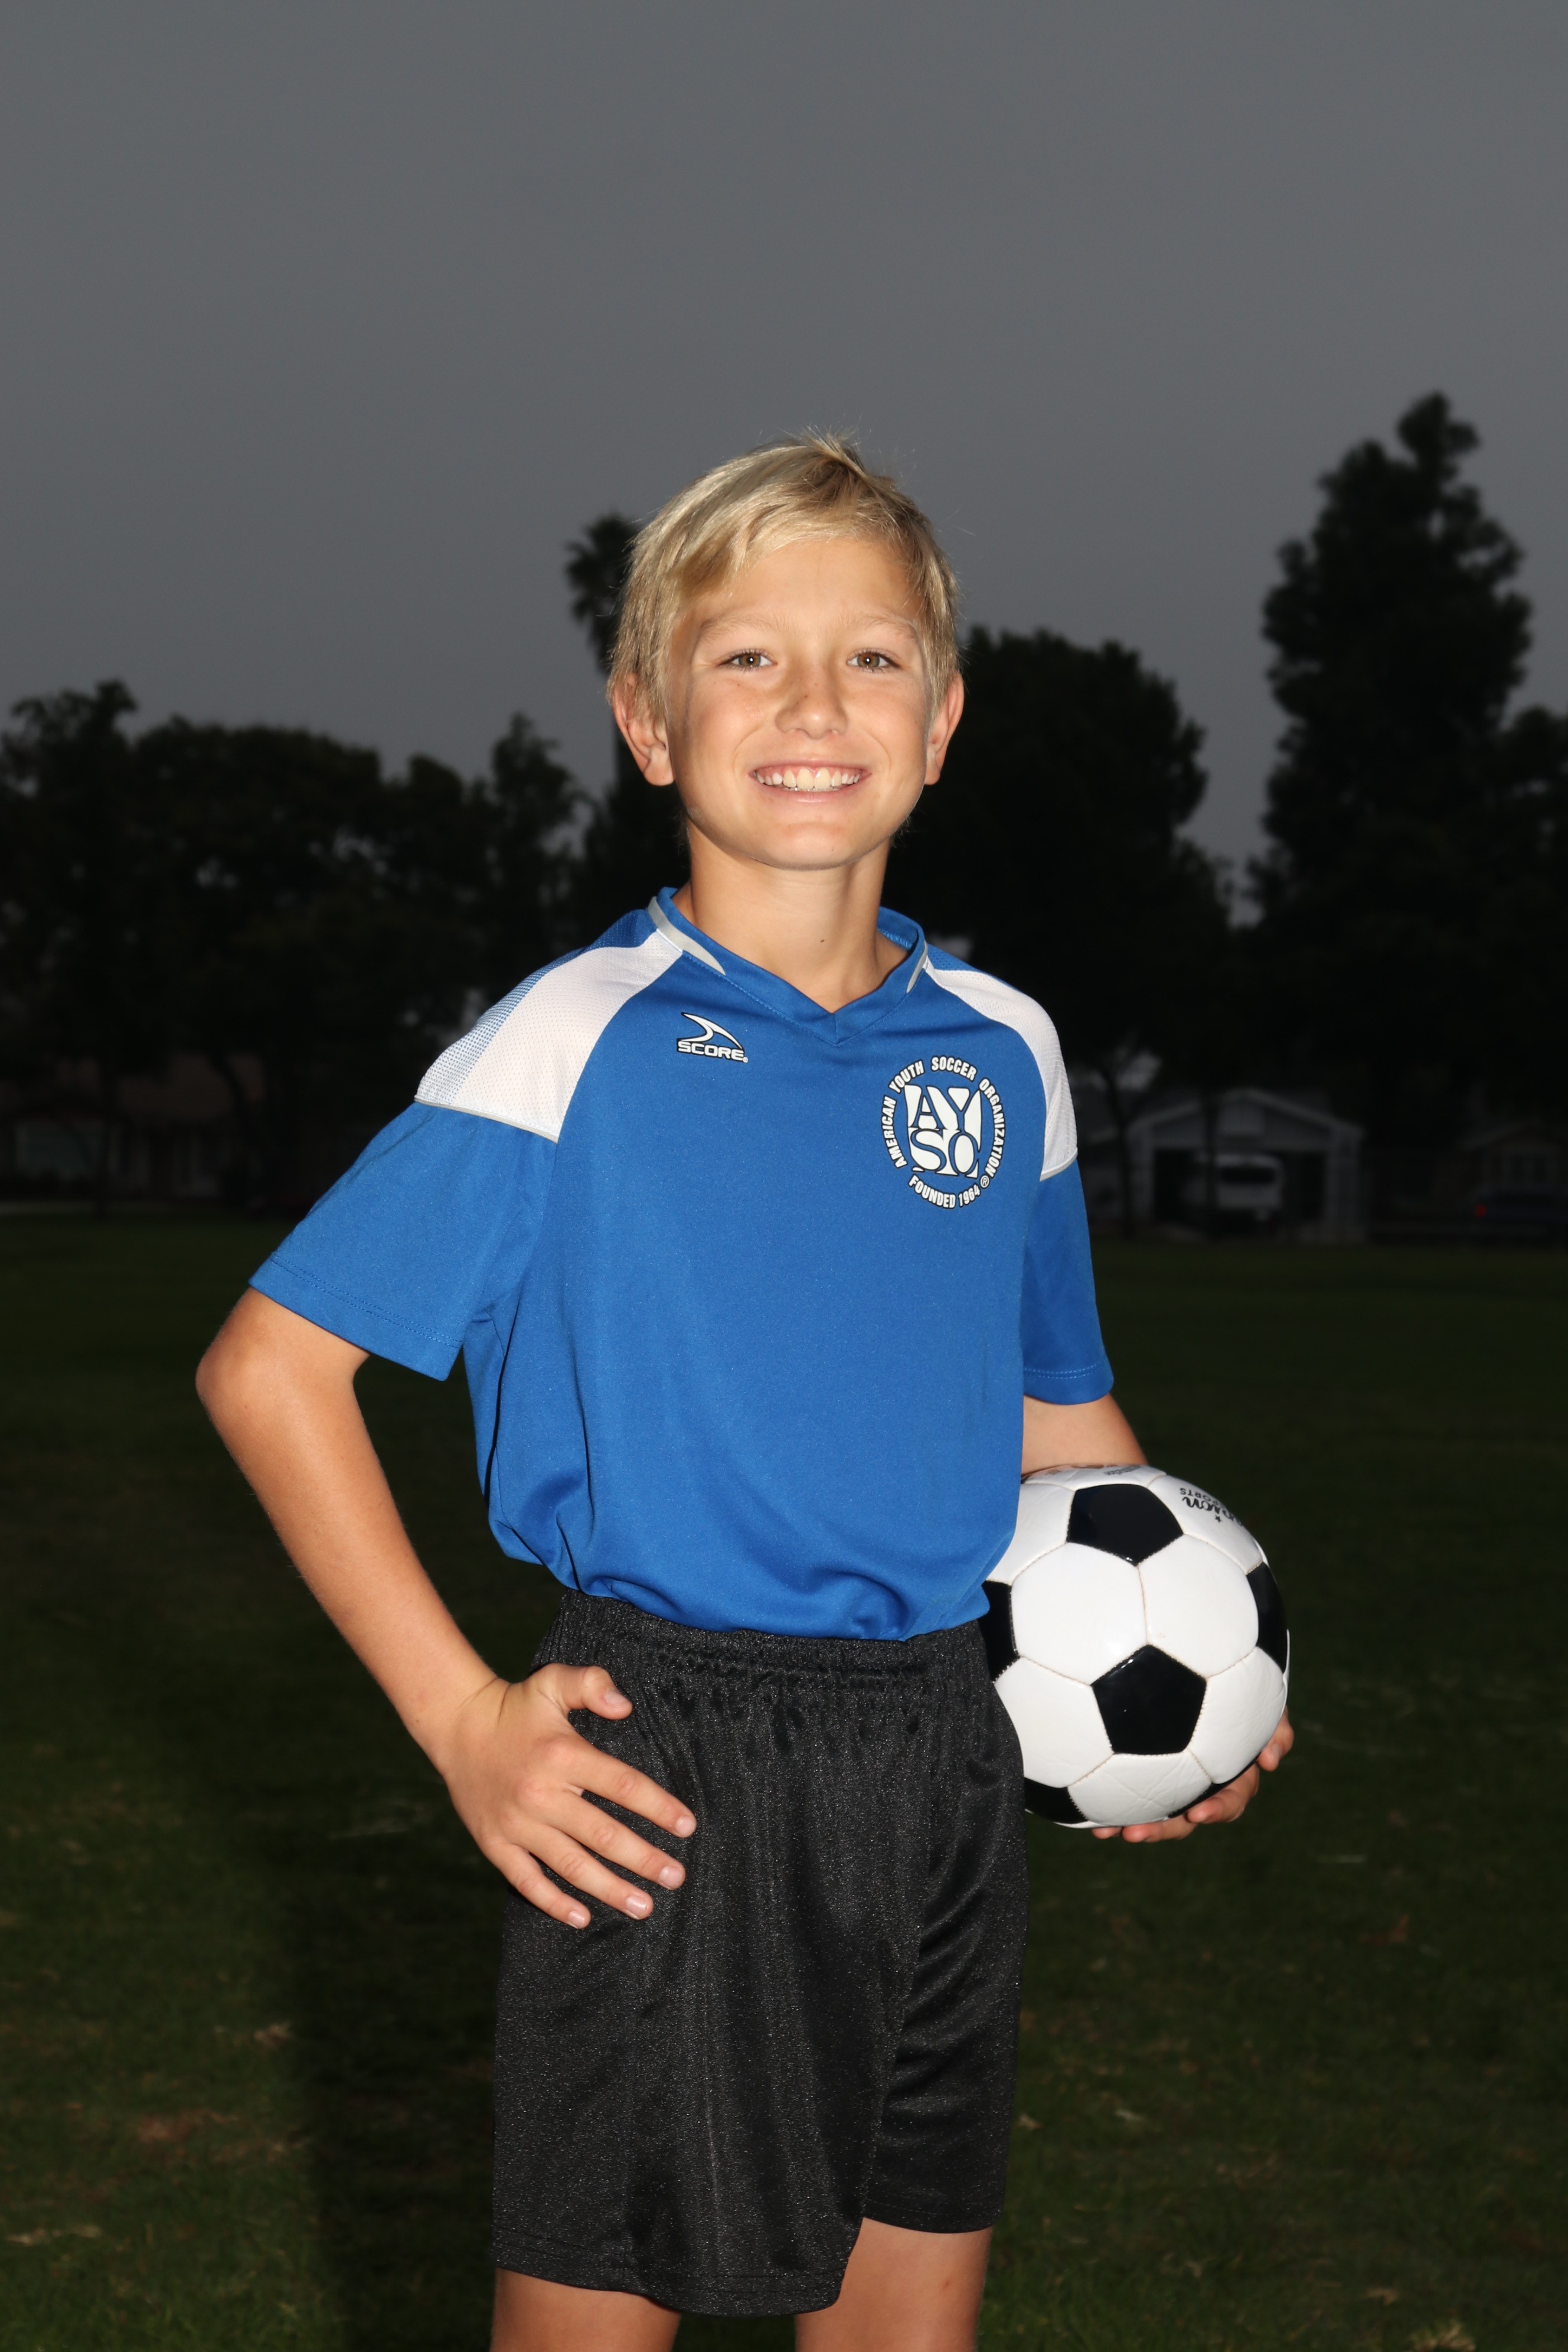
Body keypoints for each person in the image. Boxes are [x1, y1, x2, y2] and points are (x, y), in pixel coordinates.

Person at [197, 437, 1291, 2351]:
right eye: (747, 658)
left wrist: (1203, 1681)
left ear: (941, 721)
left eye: (870, 659)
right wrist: (462, 1717)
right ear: (647, 719)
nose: (812, 705)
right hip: (670, 1758)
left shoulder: (1007, 1052)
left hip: (945, 1746)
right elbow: (270, 1371)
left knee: (905, 2324)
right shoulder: (571, 1042)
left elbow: (1053, 1411)